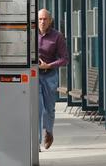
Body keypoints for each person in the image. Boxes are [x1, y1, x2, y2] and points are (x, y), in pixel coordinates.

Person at [37, 8, 68, 150]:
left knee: (48, 109)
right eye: (40, 19)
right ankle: (35, 141)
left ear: (50, 21)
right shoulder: (31, 35)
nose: (42, 22)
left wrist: (49, 65)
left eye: (45, 19)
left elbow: (64, 59)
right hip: (34, 76)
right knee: (36, 108)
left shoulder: (57, 36)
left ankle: (49, 132)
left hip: (50, 76)